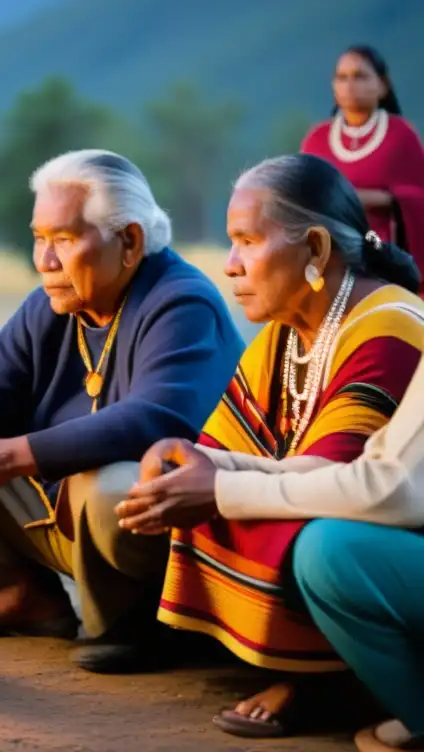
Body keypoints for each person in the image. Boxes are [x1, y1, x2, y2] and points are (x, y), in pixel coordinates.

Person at [116, 153, 424, 741]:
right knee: (181, 495)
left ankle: (333, 682)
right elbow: (264, 457)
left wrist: (218, 485)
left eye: (246, 241)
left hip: (382, 526)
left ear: (314, 249)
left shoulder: (391, 325)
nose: (229, 265)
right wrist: (198, 462)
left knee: (324, 544)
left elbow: (360, 483)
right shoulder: (286, 331)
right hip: (374, 510)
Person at [0, 149, 245, 673]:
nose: (43, 260)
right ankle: (20, 596)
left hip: (177, 538)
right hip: (65, 517)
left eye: (63, 239)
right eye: (39, 237)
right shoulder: (50, 305)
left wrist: (13, 456)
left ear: (130, 241)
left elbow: (156, 417)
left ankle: (144, 625)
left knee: (109, 480)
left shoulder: (182, 301)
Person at [300, 45, 424, 290]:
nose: (349, 84)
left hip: (386, 256)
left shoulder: (401, 136)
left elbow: (419, 198)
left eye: (360, 76)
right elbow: (301, 200)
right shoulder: (317, 139)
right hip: (329, 258)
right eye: (342, 77)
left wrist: (382, 199)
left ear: (383, 85)